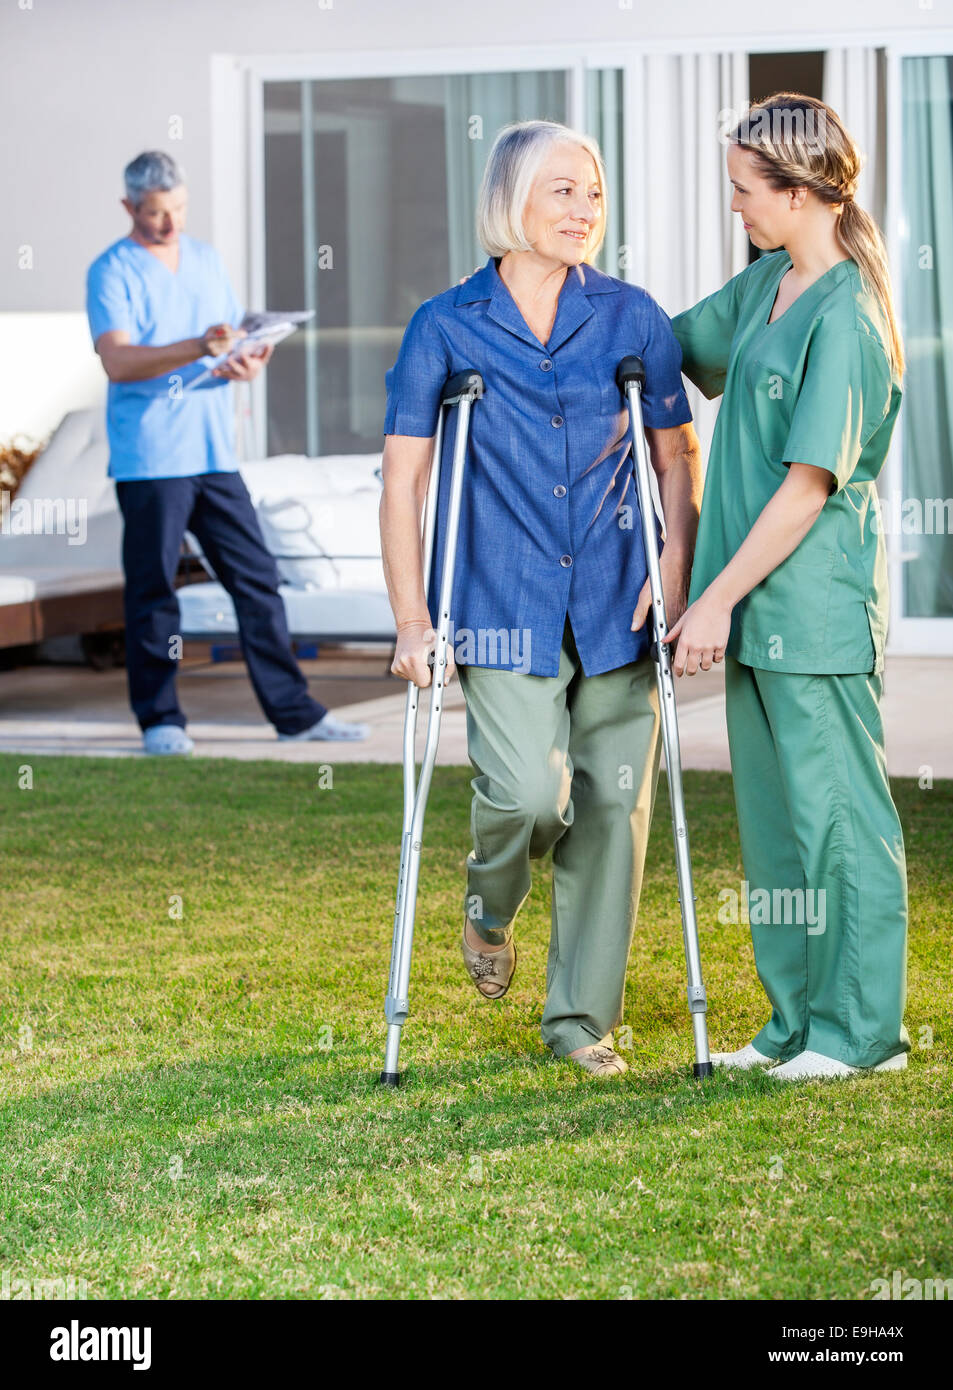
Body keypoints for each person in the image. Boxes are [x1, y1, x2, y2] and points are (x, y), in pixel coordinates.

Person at [380, 121, 702, 1076]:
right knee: (525, 793)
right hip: (496, 596)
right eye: (560, 190)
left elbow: (675, 456)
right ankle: (489, 906)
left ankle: (577, 1021)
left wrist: (673, 569)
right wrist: (410, 618)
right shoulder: (445, 323)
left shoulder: (631, 315)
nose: (583, 210)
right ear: (508, 200)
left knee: (612, 803)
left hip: (617, 593)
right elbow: (402, 480)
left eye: (593, 193)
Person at [665, 93, 910, 1081]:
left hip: (806, 605)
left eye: (742, 188)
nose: (733, 205)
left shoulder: (846, 314)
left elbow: (807, 487)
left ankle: (857, 1035)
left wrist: (709, 598)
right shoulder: (766, 283)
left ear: (802, 191)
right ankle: (790, 1023)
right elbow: (671, 347)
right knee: (774, 827)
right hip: (748, 604)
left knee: (836, 821)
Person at [85, 150, 369, 755]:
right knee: (154, 590)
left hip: (214, 452)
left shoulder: (208, 260)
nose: (169, 223)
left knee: (258, 579)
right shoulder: (111, 271)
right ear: (129, 207)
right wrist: (199, 345)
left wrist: (244, 359)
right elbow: (118, 360)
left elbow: (223, 345)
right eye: (156, 213)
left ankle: (296, 714)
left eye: (178, 210)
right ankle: (161, 721)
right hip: (152, 457)